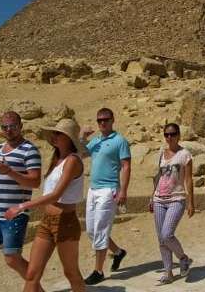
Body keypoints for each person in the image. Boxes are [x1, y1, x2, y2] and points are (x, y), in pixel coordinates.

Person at [5, 119, 87, 292]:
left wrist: (22, 206)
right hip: (47, 221)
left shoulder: (72, 161)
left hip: (65, 222)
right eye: (54, 133)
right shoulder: (57, 159)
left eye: (59, 134)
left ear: (69, 138)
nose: (54, 136)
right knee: (31, 275)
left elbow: (56, 195)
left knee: (71, 273)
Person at [0, 112, 42, 292]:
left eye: (12, 126)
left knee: (12, 258)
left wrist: (10, 172)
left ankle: (37, 288)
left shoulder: (30, 150)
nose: (8, 130)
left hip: (14, 214)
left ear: (20, 126)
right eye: (4, 127)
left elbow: (35, 182)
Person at [80, 108, 131, 285]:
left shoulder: (120, 141)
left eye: (105, 119)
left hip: (109, 190)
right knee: (91, 231)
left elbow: (126, 166)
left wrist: (123, 190)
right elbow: (81, 154)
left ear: (112, 120)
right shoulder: (96, 141)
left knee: (100, 230)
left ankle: (98, 271)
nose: (102, 123)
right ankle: (118, 252)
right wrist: (82, 137)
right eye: (99, 120)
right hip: (93, 190)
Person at [150, 123, 195, 284]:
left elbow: (189, 179)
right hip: (159, 199)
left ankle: (183, 258)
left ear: (179, 135)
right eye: (166, 134)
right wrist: (151, 197)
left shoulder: (185, 154)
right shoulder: (162, 153)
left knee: (167, 234)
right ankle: (168, 272)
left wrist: (191, 202)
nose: (169, 137)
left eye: (173, 134)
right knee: (161, 239)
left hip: (177, 198)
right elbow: (158, 176)